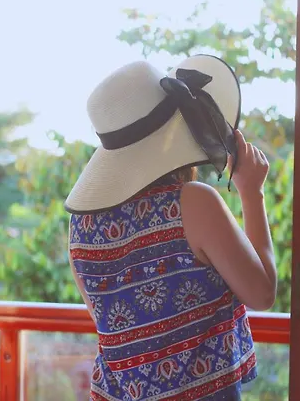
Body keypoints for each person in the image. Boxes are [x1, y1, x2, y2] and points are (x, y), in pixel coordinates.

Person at [65, 55, 277, 400]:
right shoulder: (194, 203)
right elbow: (262, 293)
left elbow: (114, 329)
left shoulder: (81, 227)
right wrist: (252, 193)